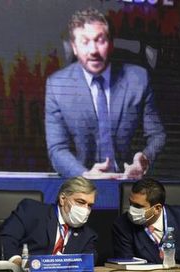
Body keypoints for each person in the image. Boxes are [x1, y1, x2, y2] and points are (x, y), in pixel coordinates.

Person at [45, 8, 165, 179]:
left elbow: (157, 136)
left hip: (127, 183)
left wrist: (145, 158)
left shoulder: (138, 79)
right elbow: (57, 149)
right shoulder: (57, 86)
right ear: (74, 47)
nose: (93, 50)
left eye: (100, 40)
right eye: (85, 42)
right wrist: (85, 175)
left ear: (111, 44)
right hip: (80, 186)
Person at [0, 177, 98, 264]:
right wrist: (16, 263)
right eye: (80, 202)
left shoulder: (87, 235)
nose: (85, 209)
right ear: (62, 199)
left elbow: (88, 263)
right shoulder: (31, 211)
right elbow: (5, 239)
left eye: (90, 205)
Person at [112, 178, 180, 264]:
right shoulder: (122, 225)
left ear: (157, 208)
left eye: (138, 206)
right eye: (130, 203)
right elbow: (126, 266)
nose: (131, 210)